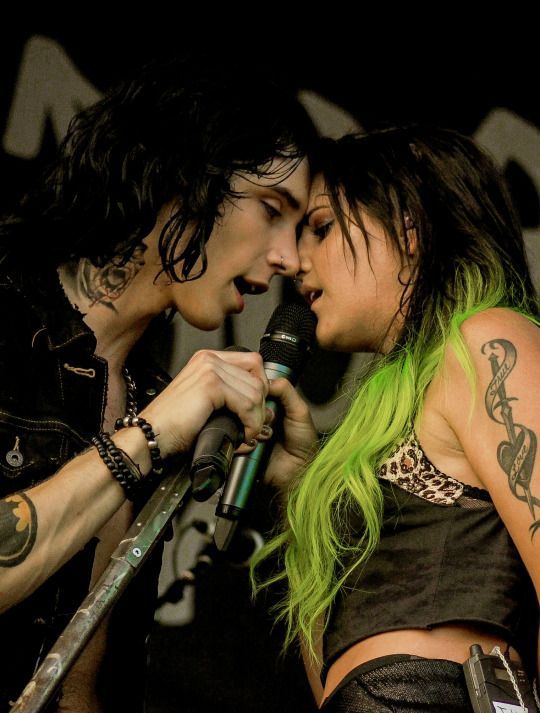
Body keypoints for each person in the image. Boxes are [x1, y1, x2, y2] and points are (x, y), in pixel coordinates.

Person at [0, 52, 314, 712]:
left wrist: (297, 493)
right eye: (271, 208)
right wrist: (144, 439)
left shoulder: (152, 391)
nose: (288, 258)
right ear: (186, 177)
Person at [254, 126, 540, 712]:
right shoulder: (383, 407)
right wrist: (296, 483)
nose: (297, 262)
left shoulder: (489, 342)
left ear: (409, 230)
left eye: (322, 227)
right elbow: (336, 672)